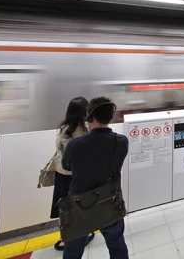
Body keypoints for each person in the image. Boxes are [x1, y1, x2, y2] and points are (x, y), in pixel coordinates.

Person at [61, 97, 129, 259]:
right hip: (110, 202)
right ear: (110, 117)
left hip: (80, 207)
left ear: (89, 118)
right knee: (117, 246)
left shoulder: (75, 145)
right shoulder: (122, 141)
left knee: (73, 251)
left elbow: (66, 166)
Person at [50, 97, 94, 251]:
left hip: (62, 174)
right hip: (77, 176)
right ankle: (80, 235)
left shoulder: (64, 128)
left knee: (65, 208)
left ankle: (64, 238)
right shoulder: (84, 131)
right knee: (80, 206)